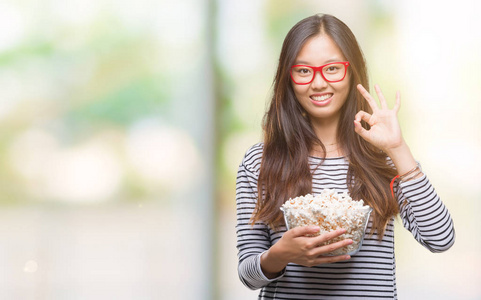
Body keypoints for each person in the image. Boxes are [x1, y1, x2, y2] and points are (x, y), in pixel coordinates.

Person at [235, 14, 455, 299]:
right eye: (303, 71)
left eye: (333, 68)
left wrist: (398, 148)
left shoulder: (385, 158)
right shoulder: (260, 162)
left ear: (352, 72)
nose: (318, 83)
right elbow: (248, 274)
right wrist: (279, 255)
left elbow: (440, 238)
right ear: (288, 77)